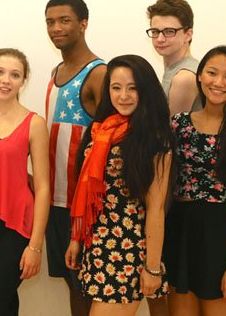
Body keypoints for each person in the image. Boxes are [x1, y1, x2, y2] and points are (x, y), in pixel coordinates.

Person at [65, 55, 174, 316]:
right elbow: (89, 191)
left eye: (132, 88)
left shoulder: (154, 139)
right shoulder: (101, 129)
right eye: (116, 87)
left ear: (145, 91)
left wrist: (152, 268)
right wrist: (76, 239)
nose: (123, 95)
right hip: (98, 246)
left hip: (127, 251)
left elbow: (156, 208)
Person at [164, 46, 226, 316]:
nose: (218, 82)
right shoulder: (178, 125)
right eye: (212, 72)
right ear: (199, 76)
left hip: (217, 236)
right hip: (178, 231)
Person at [0, 48, 51, 315]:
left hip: (18, 226)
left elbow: (43, 186)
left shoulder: (34, 123)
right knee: (4, 303)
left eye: (15, 75)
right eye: (0, 72)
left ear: (23, 81)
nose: (6, 80)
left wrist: (35, 246)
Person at [44, 0, 106, 316]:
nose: (56, 28)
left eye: (64, 20)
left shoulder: (98, 73)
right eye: (50, 22)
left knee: (85, 283)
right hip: (54, 199)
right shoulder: (56, 70)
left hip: (81, 206)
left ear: (83, 24)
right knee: (72, 282)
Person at [146, 0, 201, 117]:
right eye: (155, 31)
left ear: (188, 34)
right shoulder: (175, 70)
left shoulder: (184, 78)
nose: (160, 39)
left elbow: (170, 131)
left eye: (169, 31)